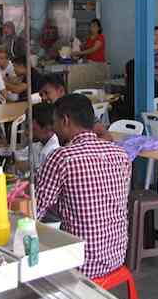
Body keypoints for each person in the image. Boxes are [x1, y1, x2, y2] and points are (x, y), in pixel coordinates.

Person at [36, 94, 131, 279]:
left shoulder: (62, 157)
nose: (53, 128)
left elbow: (35, 211)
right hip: (117, 256)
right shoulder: (120, 153)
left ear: (65, 120)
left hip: (82, 263)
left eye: (54, 122)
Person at [18, 102, 60, 169]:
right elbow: (20, 154)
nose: (26, 133)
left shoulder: (53, 153)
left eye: (29, 128)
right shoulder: (39, 144)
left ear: (47, 128)